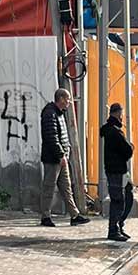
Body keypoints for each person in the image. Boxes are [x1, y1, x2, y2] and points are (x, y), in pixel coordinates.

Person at [40, 87, 89, 227]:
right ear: (61, 99)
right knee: (49, 188)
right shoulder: (50, 113)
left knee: (66, 187)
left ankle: (75, 215)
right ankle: (45, 216)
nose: (69, 102)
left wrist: (65, 154)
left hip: (62, 158)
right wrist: (61, 154)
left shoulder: (59, 113)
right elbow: (52, 136)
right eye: (67, 99)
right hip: (53, 158)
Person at [100, 102, 135, 241]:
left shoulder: (108, 129)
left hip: (115, 169)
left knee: (128, 193)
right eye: (121, 114)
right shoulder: (115, 131)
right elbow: (127, 150)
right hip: (117, 170)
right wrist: (131, 147)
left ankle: (118, 225)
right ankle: (114, 230)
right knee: (118, 200)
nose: (122, 117)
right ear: (117, 113)